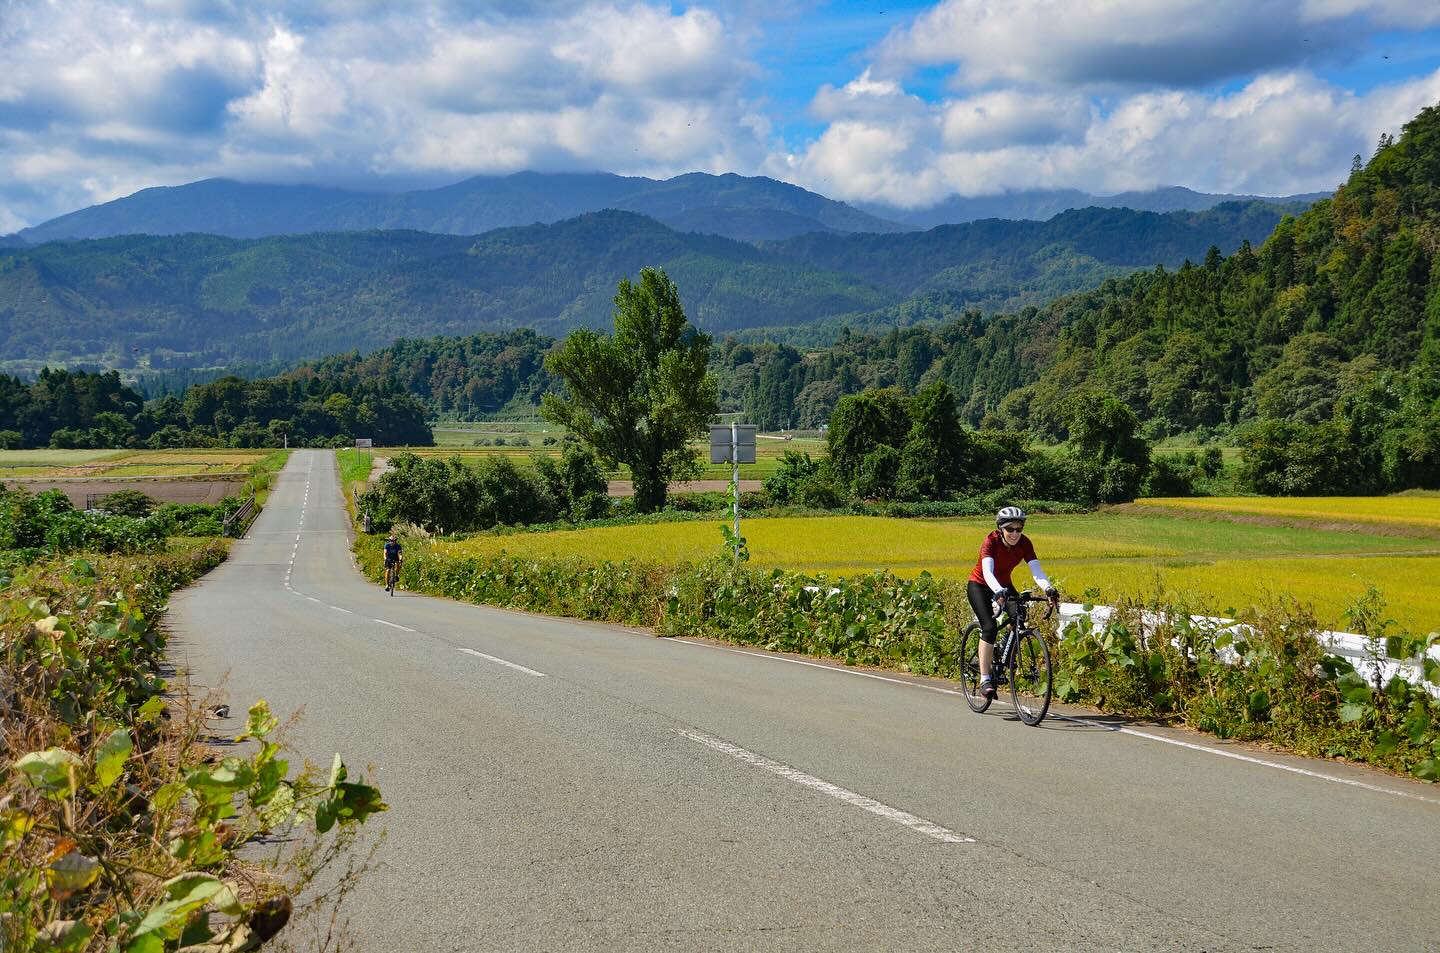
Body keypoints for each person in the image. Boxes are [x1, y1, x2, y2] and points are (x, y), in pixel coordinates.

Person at [967, 506, 1058, 699]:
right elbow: (987, 572)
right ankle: (985, 679)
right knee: (989, 627)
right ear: (1000, 529)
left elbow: (1037, 571)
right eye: (1010, 529)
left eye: (1019, 529)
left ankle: (1002, 648)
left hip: (1004, 585)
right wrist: (997, 591)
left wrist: (1048, 588)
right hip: (980, 585)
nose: (1015, 534)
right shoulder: (990, 541)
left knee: (1020, 615)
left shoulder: (1024, 543)